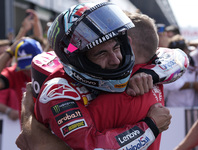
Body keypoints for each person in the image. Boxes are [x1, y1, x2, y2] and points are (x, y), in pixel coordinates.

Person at [16, 3, 187, 150]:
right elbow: (92, 146)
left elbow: (178, 58)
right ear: (80, 60)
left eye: (116, 48)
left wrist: (147, 74)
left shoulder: (140, 67)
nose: (115, 60)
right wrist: (150, 126)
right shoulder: (59, 90)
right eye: (101, 53)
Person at [0, 37, 43, 120]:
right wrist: (9, 52)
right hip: (27, 131)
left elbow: (70, 51)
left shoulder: (53, 67)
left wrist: (72, 43)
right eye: (24, 68)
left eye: (30, 66)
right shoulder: (16, 73)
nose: (28, 71)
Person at [164, 34, 198, 107]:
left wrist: (189, 42)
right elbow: (171, 85)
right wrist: (193, 85)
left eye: (184, 49)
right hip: (174, 108)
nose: (184, 51)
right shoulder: (167, 63)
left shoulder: (194, 58)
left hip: (193, 107)